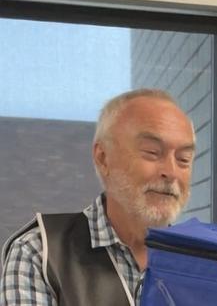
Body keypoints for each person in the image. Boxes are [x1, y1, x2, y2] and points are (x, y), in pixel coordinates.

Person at [1, 88, 196, 306]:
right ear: (103, 158)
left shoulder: (204, 264)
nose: (171, 172)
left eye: (184, 159)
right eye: (152, 152)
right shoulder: (39, 252)